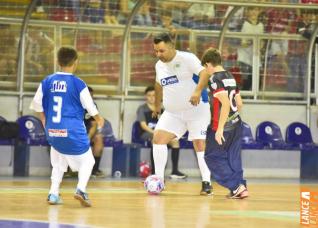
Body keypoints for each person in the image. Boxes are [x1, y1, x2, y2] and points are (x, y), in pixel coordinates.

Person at [30, 47, 104, 207]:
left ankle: (53, 193)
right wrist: (98, 118)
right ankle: (81, 190)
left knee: (58, 162)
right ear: (76, 62)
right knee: (89, 161)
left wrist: (46, 123)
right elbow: (90, 106)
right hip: (72, 129)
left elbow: (37, 106)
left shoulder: (47, 81)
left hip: (52, 129)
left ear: (57, 61)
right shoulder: (78, 83)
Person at [152, 32, 212, 195]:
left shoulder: (187, 58)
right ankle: (159, 181)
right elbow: (158, 85)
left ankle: (207, 183)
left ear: (171, 47)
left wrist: (198, 91)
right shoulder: (159, 65)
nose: (158, 55)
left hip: (196, 110)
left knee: (199, 144)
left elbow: (204, 73)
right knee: (158, 138)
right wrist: (157, 106)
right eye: (156, 51)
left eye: (161, 51)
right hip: (173, 113)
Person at [190, 48, 248, 199]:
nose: (205, 71)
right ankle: (241, 187)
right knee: (233, 157)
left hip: (222, 125)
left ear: (209, 64)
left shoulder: (214, 79)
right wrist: (233, 118)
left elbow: (225, 104)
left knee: (211, 157)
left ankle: (236, 187)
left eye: (205, 67)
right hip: (236, 123)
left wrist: (220, 128)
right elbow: (239, 103)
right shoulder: (231, 76)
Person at [137, 86, 187, 179]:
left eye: (154, 95)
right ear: (146, 97)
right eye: (149, 95)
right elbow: (143, 125)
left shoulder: (163, 108)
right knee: (155, 139)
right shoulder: (142, 108)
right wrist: (155, 132)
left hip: (161, 133)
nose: (152, 97)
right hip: (147, 133)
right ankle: (154, 172)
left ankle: (175, 171)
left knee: (175, 141)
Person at [84, 86, 105, 178]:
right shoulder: (73, 104)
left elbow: (94, 124)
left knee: (98, 138)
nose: (89, 98)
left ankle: (94, 170)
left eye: (91, 96)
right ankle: (66, 171)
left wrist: (88, 137)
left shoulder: (93, 106)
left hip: (87, 132)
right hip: (74, 132)